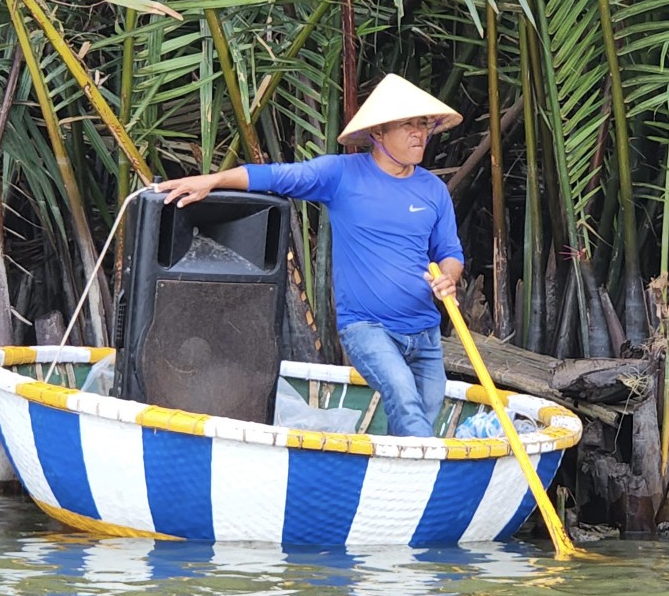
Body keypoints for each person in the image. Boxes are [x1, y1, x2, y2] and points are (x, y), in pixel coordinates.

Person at [152, 74, 464, 437]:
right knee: (405, 399)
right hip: (368, 328)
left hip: (424, 331)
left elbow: (450, 252)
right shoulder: (341, 174)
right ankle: (424, 484)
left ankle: (397, 486)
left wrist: (449, 276)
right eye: (409, 124)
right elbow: (278, 176)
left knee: (423, 414)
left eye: (424, 124)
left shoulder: (433, 190)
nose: (420, 134)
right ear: (378, 133)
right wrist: (212, 180)